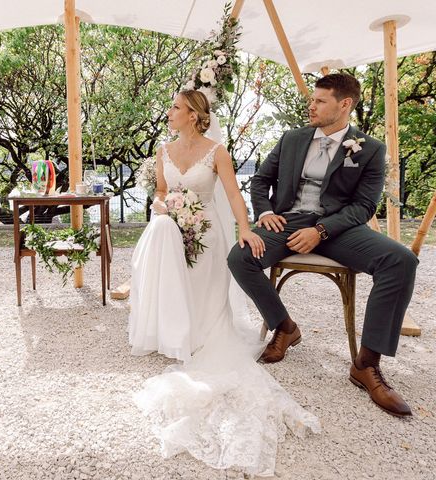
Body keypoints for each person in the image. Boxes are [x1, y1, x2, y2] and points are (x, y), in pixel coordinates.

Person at [129, 90, 320, 476]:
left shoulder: (217, 151)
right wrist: (161, 205)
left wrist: (246, 231)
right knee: (172, 271)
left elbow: (233, 193)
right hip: (173, 229)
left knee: (205, 287)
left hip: (208, 232)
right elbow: (162, 191)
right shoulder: (163, 150)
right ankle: (173, 329)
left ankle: (200, 335)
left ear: (195, 115)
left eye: (176, 107)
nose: (170, 112)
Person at [228, 73, 418, 417]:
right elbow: (261, 180)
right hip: (285, 221)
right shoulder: (292, 139)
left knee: (400, 260)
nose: (311, 105)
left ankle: (366, 363)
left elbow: (363, 206)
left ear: (344, 104)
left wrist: (321, 231)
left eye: (319, 101)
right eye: (311, 99)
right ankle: (285, 327)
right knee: (241, 257)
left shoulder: (370, 149)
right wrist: (267, 210)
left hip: (338, 227)